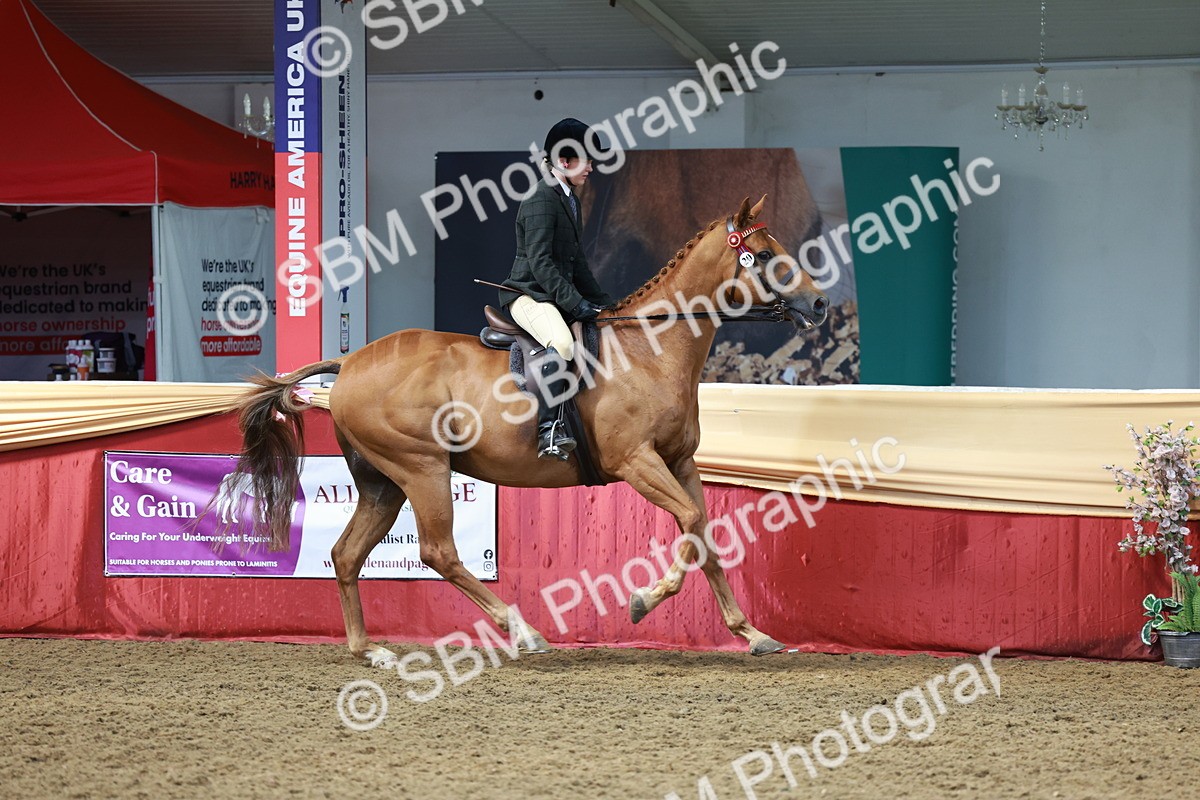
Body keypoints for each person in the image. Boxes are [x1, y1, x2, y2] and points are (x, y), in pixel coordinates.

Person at [499, 118, 615, 460]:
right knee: (562, 342)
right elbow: (540, 263)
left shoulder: (570, 200)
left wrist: (606, 304)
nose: (592, 168)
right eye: (587, 160)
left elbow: (577, 263)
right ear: (564, 162)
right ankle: (548, 431)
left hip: (550, 295)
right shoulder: (540, 199)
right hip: (527, 295)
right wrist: (575, 303)